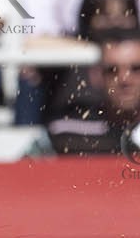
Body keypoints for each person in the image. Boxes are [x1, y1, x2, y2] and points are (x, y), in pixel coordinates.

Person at [25, 28, 140, 157]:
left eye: (136, 69)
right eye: (112, 70)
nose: (125, 79)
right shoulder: (64, 133)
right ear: (96, 76)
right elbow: (24, 168)